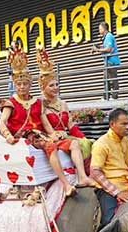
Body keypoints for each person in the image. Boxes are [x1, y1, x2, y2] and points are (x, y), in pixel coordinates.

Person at [37, 49, 95, 194]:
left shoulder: (63, 104)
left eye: (57, 84)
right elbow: (44, 126)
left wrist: (84, 138)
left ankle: (84, 176)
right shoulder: (40, 104)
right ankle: (79, 178)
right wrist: (55, 134)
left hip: (63, 136)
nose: (55, 88)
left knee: (87, 143)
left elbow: (71, 126)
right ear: (43, 88)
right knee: (74, 143)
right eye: (51, 85)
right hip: (50, 138)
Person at [90, 108, 128, 225]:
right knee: (110, 221)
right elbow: (95, 172)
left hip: (127, 185)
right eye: (124, 124)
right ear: (112, 124)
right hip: (108, 189)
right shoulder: (101, 144)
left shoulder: (126, 141)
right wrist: (117, 193)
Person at [0, 45, 44, 144]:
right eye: (19, 84)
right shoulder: (10, 103)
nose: (22, 87)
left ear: (30, 85)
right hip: (22, 140)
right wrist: (8, 135)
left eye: (25, 84)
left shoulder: (38, 102)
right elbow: (2, 122)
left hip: (40, 136)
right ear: (15, 85)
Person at [91, 21, 121, 99]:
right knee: (107, 79)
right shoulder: (106, 37)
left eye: (100, 29)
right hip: (108, 61)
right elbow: (105, 48)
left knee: (111, 79)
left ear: (104, 29)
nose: (99, 31)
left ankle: (112, 97)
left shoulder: (109, 36)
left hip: (111, 61)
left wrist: (97, 49)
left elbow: (109, 49)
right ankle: (107, 97)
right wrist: (98, 48)